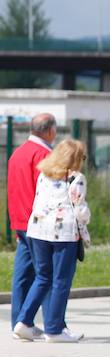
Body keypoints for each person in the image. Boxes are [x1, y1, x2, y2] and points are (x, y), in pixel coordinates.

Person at [13, 140, 89, 343]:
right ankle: (54, 329)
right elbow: (79, 210)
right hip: (63, 234)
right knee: (61, 281)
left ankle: (24, 322)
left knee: (42, 277)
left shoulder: (43, 174)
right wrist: (87, 220)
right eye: (81, 157)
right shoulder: (76, 178)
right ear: (74, 158)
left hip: (37, 230)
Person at [8, 113, 56, 335]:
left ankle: (18, 321)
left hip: (19, 219)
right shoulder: (45, 155)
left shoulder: (17, 153)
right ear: (49, 130)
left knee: (22, 275)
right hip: (38, 223)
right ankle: (52, 325)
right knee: (46, 273)